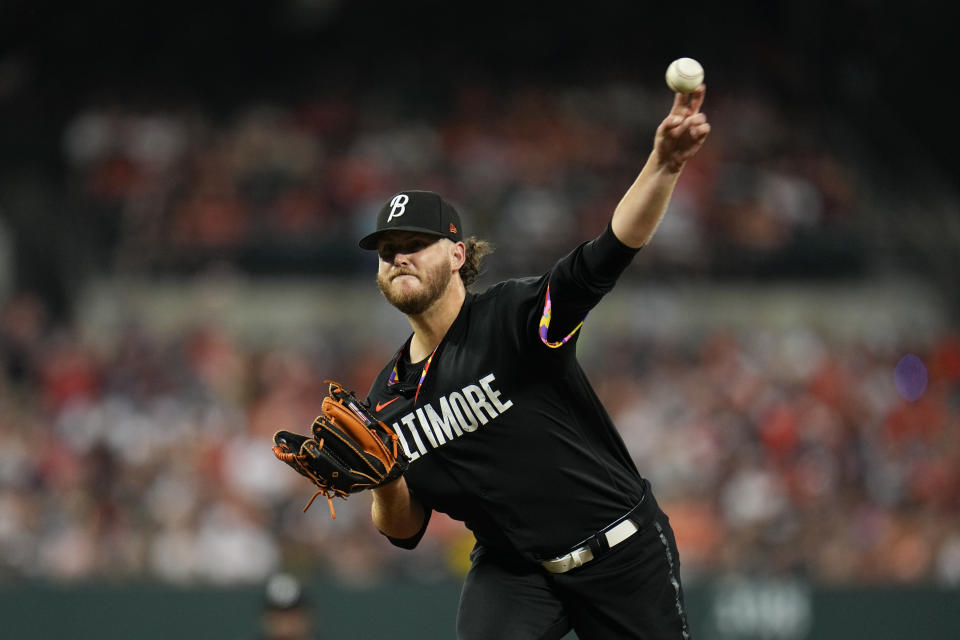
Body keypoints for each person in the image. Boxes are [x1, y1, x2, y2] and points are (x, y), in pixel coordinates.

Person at [359, 86, 710, 639]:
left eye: (415, 242)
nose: (398, 255)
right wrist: (383, 480)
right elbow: (404, 529)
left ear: (456, 254)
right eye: (386, 250)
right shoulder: (386, 394)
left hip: (619, 549)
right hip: (516, 570)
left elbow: (604, 257)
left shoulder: (514, 318)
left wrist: (662, 166)